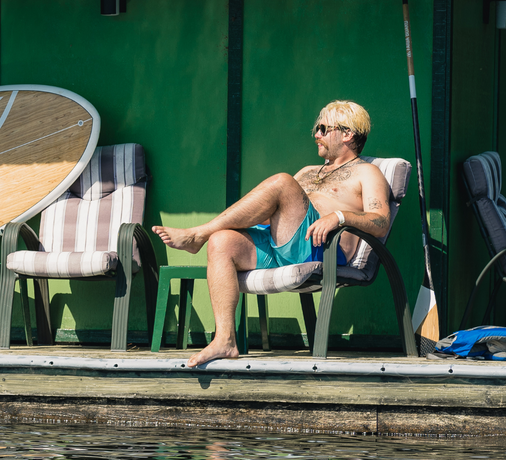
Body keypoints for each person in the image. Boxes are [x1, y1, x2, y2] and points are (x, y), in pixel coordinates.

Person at [151, 100, 391, 367]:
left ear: (347, 134)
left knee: (282, 182)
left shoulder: (367, 172)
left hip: (321, 248)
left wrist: (339, 217)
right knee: (222, 242)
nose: (316, 135)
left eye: (324, 128)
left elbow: (380, 221)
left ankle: (199, 234)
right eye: (317, 128)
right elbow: (275, 212)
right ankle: (225, 340)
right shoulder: (309, 172)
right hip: (282, 243)